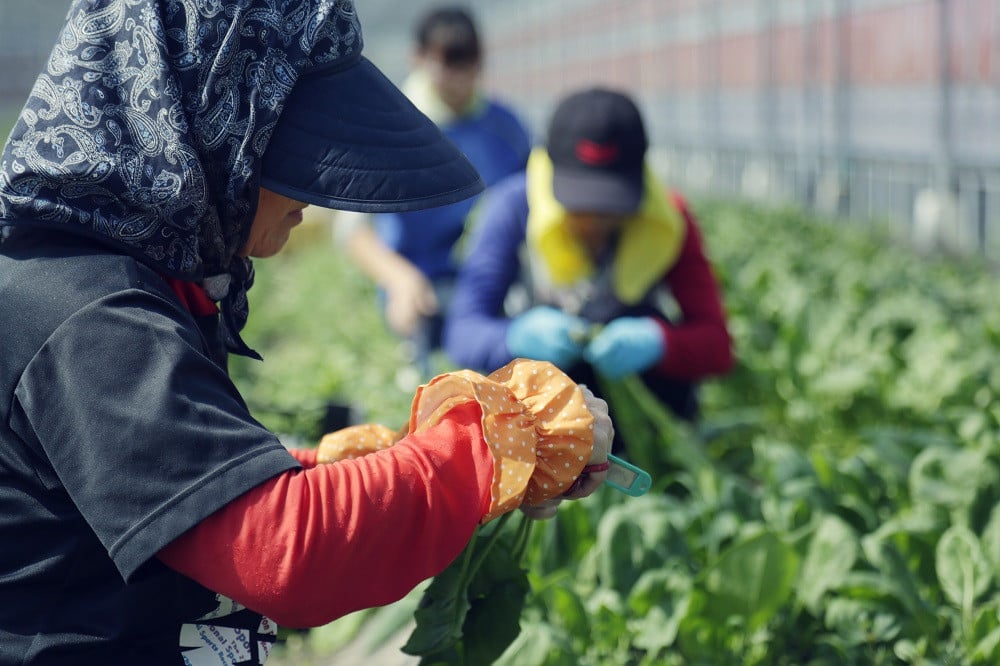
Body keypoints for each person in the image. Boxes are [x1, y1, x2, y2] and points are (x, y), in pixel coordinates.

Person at [0, 2, 613, 663]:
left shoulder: (125, 280)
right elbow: (282, 550)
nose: (313, 193)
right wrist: (500, 437)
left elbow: (192, 500)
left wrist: (359, 466)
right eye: (293, 146)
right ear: (207, 125)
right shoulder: (89, 316)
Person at [444, 87, 734, 446]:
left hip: (638, 413)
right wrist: (515, 337)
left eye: (612, 207)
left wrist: (660, 343)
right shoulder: (512, 208)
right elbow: (462, 332)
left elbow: (717, 345)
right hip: (534, 416)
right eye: (581, 206)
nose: (596, 222)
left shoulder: (667, 218)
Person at [339, 6, 532, 378]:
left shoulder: (505, 128)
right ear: (419, 58)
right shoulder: (389, 129)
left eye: (468, 65)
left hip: (488, 285)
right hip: (421, 287)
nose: (458, 80)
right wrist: (398, 279)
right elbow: (353, 231)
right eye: (447, 64)